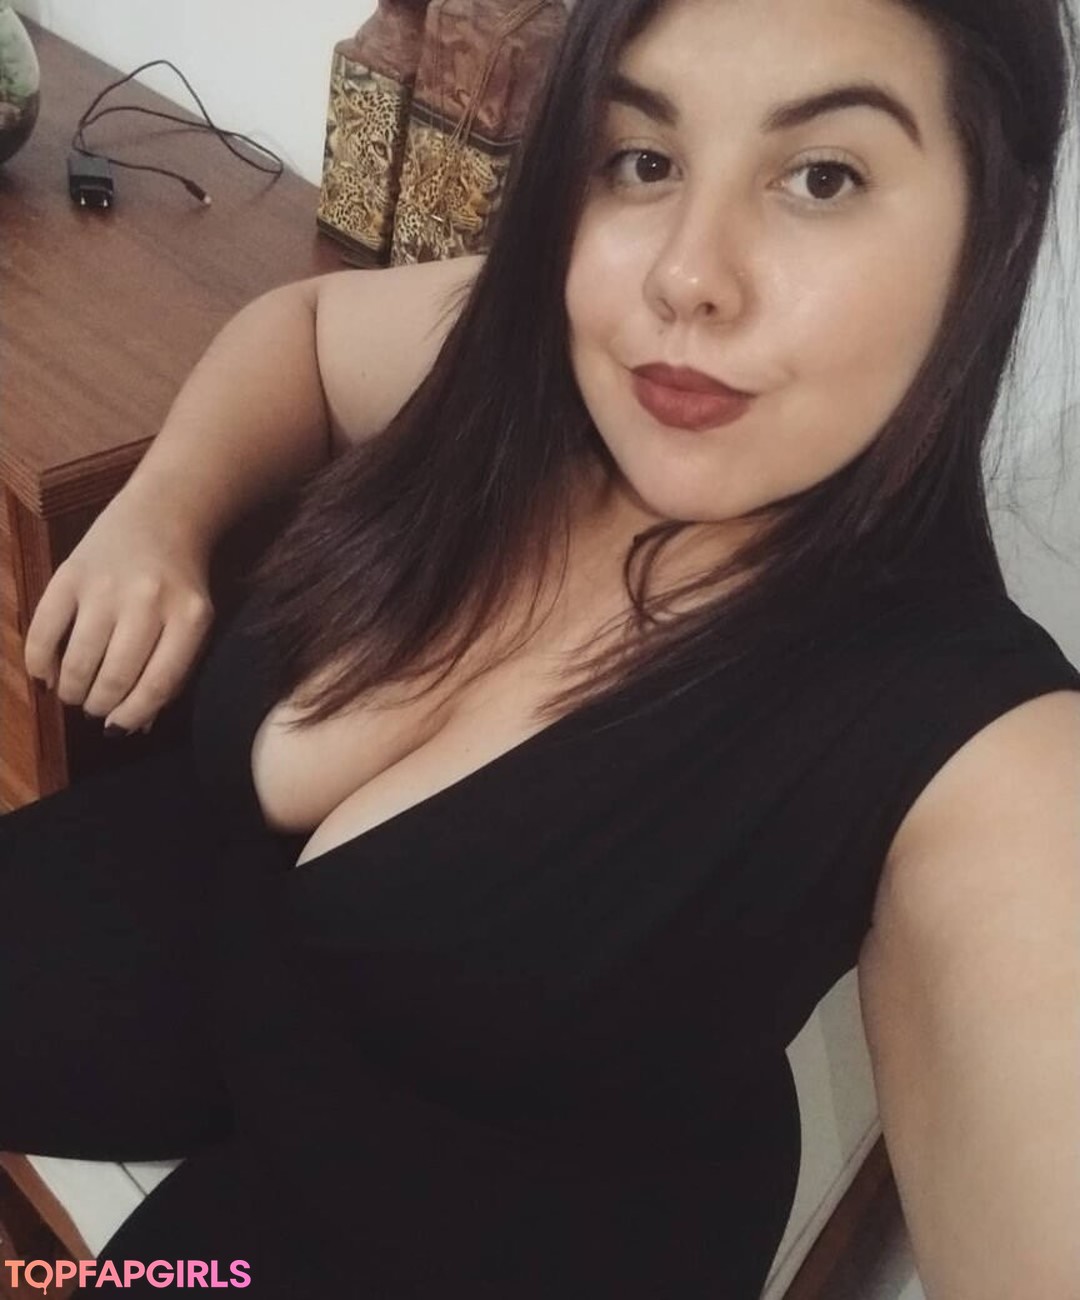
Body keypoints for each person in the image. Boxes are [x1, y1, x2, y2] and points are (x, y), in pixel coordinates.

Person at [5, 0, 1080, 1294]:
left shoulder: (980, 748)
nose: (686, 274)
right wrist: (162, 514)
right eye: (644, 157)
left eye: (821, 176)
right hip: (216, 945)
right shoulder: (558, 363)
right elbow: (303, 334)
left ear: (991, 222)